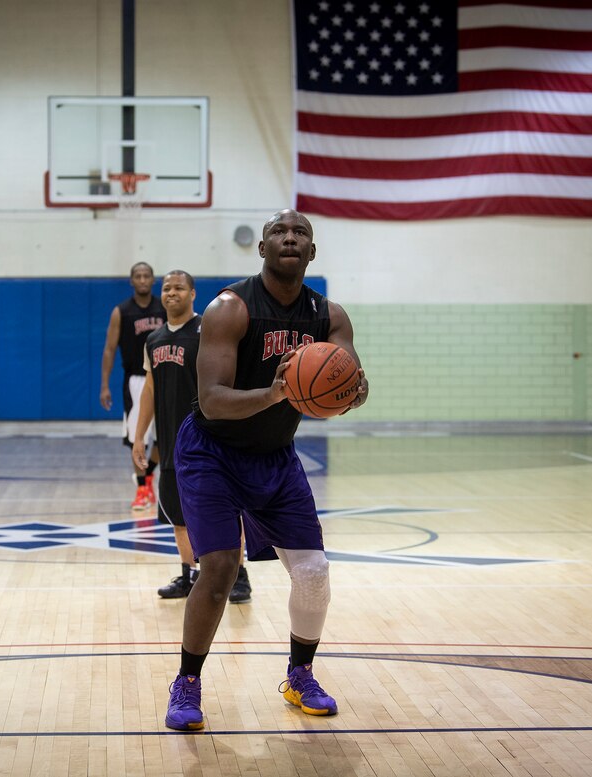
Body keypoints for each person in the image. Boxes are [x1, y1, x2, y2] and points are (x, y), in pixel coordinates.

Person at [163, 209, 369, 732]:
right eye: (279, 231)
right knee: (220, 568)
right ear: (262, 248)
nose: (290, 238)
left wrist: (351, 392)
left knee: (314, 572)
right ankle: (187, 682)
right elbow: (210, 402)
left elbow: (347, 379)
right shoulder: (230, 308)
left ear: (312, 252)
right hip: (212, 450)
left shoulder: (330, 315)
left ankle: (300, 676)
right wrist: (278, 390)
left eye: (301, 233)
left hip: (275, 453)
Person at [132, 271, 252, 603]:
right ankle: (189, 575)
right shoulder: (153, 339)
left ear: (193, 293)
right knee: (177, 514)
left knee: (225, 511)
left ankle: (239, 576)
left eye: (179, 288)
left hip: (210, 438)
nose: (172, 293)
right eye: (167, 288)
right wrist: (139, 435)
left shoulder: (207, 332)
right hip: (171, 441)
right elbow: (150, 390)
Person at [100, 261, 166, 511]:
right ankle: (142, 489)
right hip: (136, 380)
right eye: (137, 276)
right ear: (131, 280)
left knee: (164, 438)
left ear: (152, 279)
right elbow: (109, 349)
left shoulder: (164, 307)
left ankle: (147, 475)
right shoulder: (122, 311)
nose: (141, 280)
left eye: (146, 276)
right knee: (137, 437)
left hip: (164, 377)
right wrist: (104, 385)